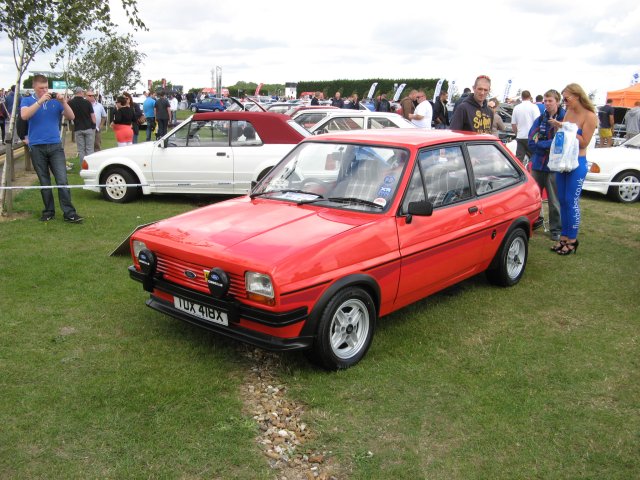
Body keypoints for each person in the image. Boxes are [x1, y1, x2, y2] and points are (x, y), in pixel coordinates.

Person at [20, 74, 83, 223]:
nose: (44, 90)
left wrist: (63, 102)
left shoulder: (55, 102)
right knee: (44, 181)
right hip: (36, 146)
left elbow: (71, 116)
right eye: (41, 88)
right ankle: (48, 211)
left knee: (62, 180)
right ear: (35, 87)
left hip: (55, 145)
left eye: (46, 87)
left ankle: (69, 213)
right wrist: (40, 102)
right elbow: (24, 115)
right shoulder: (27, 100)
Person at [547, 83, 597, 255]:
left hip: (578, 162)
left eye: (566, 98)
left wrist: (565, 128)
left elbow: (584, 141)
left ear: (577, 96)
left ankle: (572, 240)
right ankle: (564, 237)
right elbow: (564, 136)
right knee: (562, 200)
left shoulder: (590, 116)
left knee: (571, 201)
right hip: (564, 162)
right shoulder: (568, 113)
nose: (565, 103)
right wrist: (561, 127)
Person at [528, 89, 565, 243]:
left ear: (557, 101)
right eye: (545, 100)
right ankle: (533, 222)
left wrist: (542, 144)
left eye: (550, 100)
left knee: (554, 201)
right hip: (538, 165)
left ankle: (555, 229)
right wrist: (547, 146)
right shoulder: (539, 119)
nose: (547, 103)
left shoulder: (564, 119)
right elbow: (531, 142)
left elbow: (561, 144)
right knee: (533, 198)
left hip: (554, 167)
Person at [67, 86, 96, 166]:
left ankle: (83, 167)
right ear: (81, 92)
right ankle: (91, 166)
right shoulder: (87, 102)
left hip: (78, 128)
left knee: (81, 150)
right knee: (89, 149)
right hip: (88, 127)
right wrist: (94, 123)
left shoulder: (70, 103)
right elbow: (93, 117)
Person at [511, 90, 540, 165]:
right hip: (531, 137)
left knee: (518, 160)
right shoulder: (534, 107)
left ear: (521, 97)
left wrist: (517, 133)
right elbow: (538, 122)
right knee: (533, 159)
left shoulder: (516, 108)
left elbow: (513, 124)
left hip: (520, 137)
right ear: (530, 97)